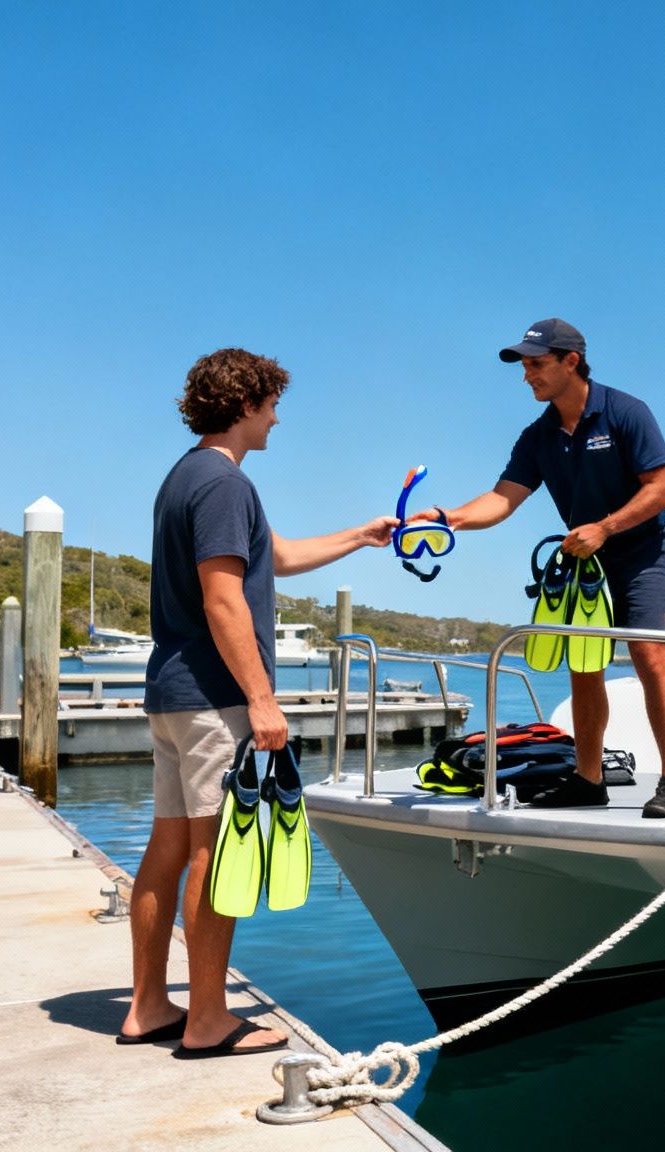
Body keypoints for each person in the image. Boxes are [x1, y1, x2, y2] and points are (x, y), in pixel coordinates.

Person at [122, 348, 397, 1054]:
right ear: (246, 404)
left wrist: (363, 536)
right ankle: (208, 1019)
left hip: (172, 695)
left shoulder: (187, 476)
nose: (277, 417)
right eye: (272, 404)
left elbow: (276, 555)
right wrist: (264, 699)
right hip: (215, 698)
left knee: (168, 847)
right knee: (215, 852)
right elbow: (223, 600)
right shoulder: (225, 484)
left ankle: (149, 1007)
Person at [405, 317, 665, 818]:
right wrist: (448, 518)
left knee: (649, 654)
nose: (527, 377)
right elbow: (501, 499)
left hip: (641, 553)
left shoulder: (625, 412)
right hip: (583, 564)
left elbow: (663, 489)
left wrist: (604, 526)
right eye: (524, 367)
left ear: (571, 362)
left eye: (536, 365)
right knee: (584, 667)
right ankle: (588, 779)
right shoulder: (537, 437)